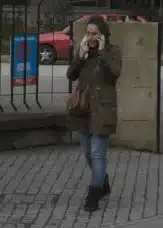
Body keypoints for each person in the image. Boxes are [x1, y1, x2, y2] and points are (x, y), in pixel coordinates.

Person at [66, 17, 120, 213]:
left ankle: (93, 194)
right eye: (88, 33)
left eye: (94, 33)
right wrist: (80, 56)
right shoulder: (84, 52)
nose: (90, 37)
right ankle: (103, 182)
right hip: (83, 110)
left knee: (98, 154)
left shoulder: (113, 52)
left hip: (103, 110)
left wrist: (103, 52)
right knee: (89, 154)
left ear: (103, 35)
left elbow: (115, 73)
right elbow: (70, 75)